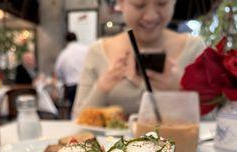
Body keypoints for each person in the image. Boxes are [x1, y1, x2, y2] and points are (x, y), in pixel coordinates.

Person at [73, 0, 206, 117]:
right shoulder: (98, 51)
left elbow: (210, 120)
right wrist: (102, 87)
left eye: (162, 3)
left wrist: (181, 88)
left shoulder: (194, 48)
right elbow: (78, 119)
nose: (150, 16)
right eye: (139, 5)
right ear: (121, 3)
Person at [55, 32, 88, 110]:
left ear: (66, 41)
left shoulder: (64, 53)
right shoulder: (86, 49)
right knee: (86, 109)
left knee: (74, 110)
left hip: (71, 87)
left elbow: (58, 71)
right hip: (86, 84)